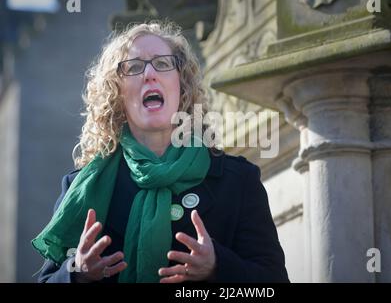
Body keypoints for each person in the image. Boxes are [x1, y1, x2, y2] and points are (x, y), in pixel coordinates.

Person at [32, 21, 289, 283]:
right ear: (116, 94)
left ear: (182, 85)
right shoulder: (82, 187)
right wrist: (76, 273)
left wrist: (218, 267)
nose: (149, 74)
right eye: (133, 67)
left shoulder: (237, 181)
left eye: (163, 64)